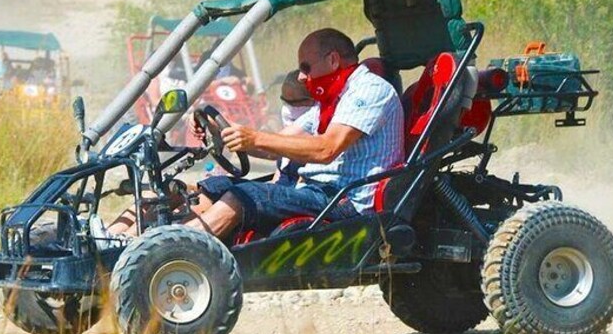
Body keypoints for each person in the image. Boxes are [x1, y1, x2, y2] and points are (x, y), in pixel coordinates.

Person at [108, 28, 405, 240]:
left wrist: (255, 138)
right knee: (203, 188)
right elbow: (279, 146)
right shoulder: (334, 100)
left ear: (333, 60)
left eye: (306, 66)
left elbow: (327, 149)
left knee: (242, 197)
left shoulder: (369, 90)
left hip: (346, 202)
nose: (301, 76)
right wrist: (224, 135)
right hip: (316, 191)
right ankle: (114, 240)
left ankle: (170, 253)